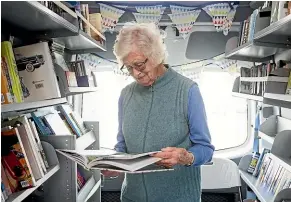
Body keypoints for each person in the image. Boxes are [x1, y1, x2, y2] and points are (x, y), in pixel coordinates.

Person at [110, 22, 215, 202]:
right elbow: (122, 146)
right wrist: (113, 165)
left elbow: (206, 149)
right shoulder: (125, 94)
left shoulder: (187, 90)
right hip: (131, 198)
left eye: (139, 65)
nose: (136, 73)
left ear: (155, 55)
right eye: (128, 68)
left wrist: (187, 157)